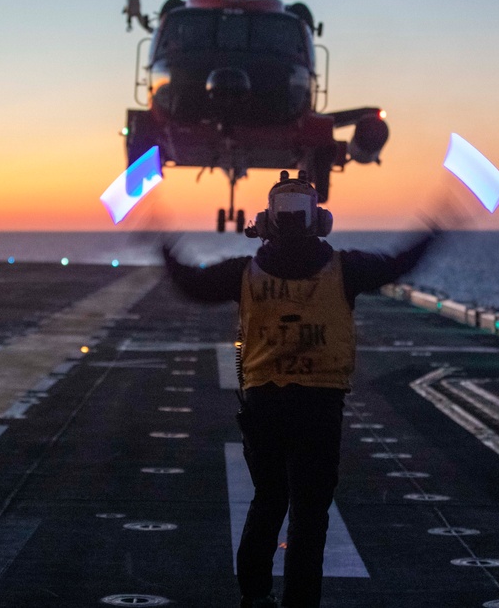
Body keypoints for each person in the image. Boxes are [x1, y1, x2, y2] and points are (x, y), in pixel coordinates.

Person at [162, 171, 440, 608]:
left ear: (266, 222)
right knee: (309, 517)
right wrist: (437, 224)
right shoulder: (345, 269)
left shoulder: (245, 272)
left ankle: (254, 597)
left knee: (268, 500)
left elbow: (190, 284)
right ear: (320, 221)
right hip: (319, 405)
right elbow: (399, 263)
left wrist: (162, 241)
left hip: (263, 404)